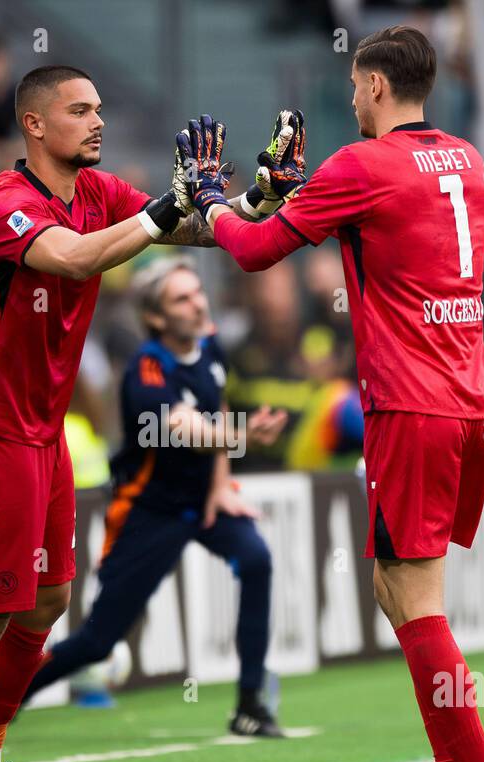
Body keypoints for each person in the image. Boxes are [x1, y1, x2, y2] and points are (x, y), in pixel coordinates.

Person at [0, 64, 289, 762]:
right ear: (34, 124)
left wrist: (258, 201)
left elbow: (188, 233)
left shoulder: (96, 191)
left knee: (50, 600)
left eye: (98, 109)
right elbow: (77, 258)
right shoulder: (1, 206)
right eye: (80, 110)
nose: (97, 122)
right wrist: (170, 202)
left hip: (45, 434)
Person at [196, 26, 484, 762]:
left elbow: (258, 249)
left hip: (409, 402)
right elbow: (391, 234)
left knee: (413, 598)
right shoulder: (465, 162)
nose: (349, 98)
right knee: (395, 586)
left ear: (375, 85)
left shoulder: (360, 166)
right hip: (467, 394)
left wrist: (212, 201)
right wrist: (305, 195)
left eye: (353, 84)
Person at [21, 257, 287, 733]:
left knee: (256, 559)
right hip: (149, 511)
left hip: (201, 502)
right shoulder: (146, 369)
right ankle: (10, 696)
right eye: (182, 299)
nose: (198, 303)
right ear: (157, 318)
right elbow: (183, 429)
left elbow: (216, 408)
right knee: (99, 641)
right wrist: (244, 436)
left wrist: (222, 484)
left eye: (197, 292)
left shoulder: (210, 347)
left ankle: (250, 705)